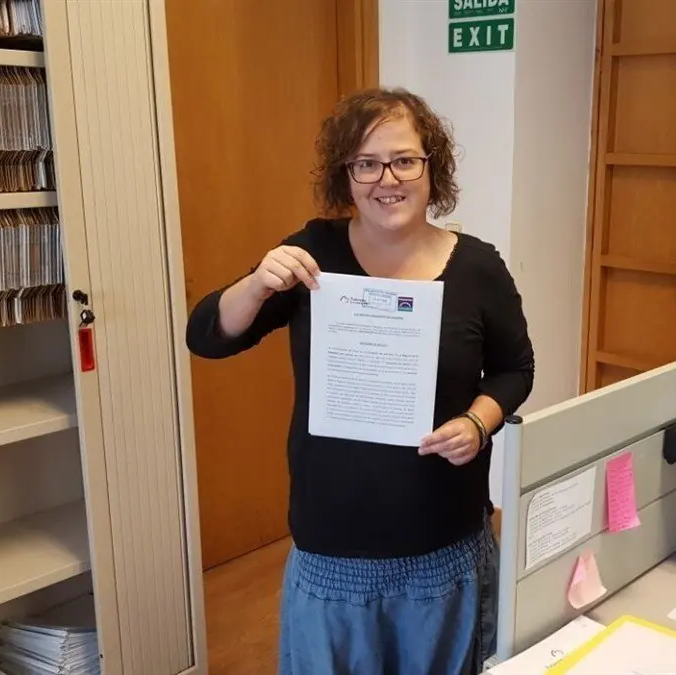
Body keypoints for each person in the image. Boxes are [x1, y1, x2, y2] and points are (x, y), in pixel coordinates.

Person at [185, 87, 535, 675]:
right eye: (366, 163)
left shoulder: (478, 267)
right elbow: (207, 337)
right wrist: (257, 283)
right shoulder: (311, 255)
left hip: (443, 540)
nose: (386, 179)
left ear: (432, 167)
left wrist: (479, 422)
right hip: (333, 543)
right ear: (345, 176)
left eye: (404, 160)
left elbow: (514, 369)